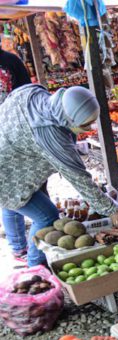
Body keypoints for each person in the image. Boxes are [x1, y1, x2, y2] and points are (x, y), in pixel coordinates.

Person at [0, 84, 118, 267]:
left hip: (9, 163)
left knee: (12, 204)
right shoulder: (52, 137)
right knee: (47, 216)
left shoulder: (33, 94)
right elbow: (79, 177)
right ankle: (35, 267)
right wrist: (110, 209)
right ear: (68, 119)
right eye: (84, 125)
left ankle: (18, 248)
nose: (89, 128)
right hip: (7, 177)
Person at [0, 48, 33, 263]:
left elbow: (27, 92)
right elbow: (28, 94)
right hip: (16, 132)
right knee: (12, 190)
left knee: (11, 190)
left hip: (17, 131)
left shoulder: (10, 61)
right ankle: (21, 246)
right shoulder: (10, 61)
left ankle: (22, 245)